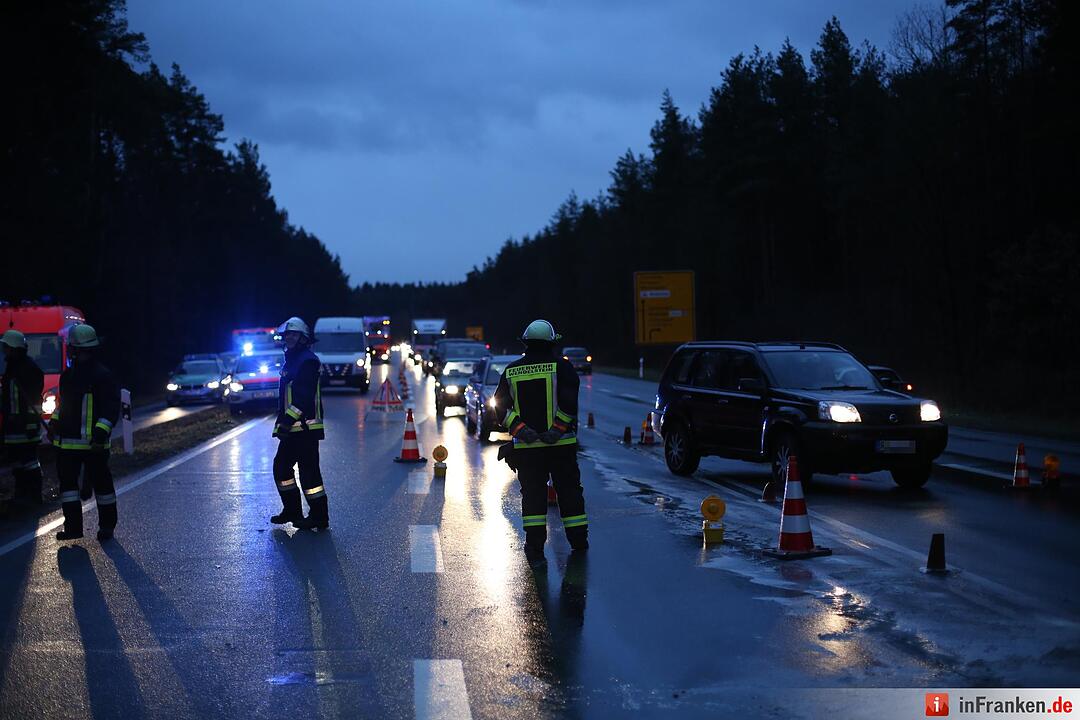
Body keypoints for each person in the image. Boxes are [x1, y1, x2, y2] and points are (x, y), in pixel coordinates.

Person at [494, 319, 588, 563]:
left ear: (525, 343)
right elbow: (569, 403)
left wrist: (521, 429)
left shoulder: (512, 370)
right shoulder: (563, 368)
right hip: (561, 447)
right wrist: (556, 430)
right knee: (569, 493)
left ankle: (534, 547)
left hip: (527, 450)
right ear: (552, 343)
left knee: (533, 497)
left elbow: (500, 407)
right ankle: (578, 542)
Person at [48, 324, 120, 541]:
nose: (69, 351)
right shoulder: (68, 376)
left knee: (102, 487)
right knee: (69, 489)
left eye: (70, 347)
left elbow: (110, 407)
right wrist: (54, 423)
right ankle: (73, 528)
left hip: (94, 445)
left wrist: (100, 433)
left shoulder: (102, 376)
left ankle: (107, 527)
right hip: (68, 445)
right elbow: (63, 406)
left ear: (76, 349)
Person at [270, 317, 329, 530]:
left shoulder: (308, 361)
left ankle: (319, 517)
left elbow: (303, 397)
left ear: (303, 338)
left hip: (305, 428)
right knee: (282, 469)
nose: (289, 338)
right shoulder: (292, 360)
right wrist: (282, 423)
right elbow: (286, 396)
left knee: (309, 474)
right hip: (294, 428)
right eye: (287, 335)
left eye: (294, 334)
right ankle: (293, 510)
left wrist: (286, 421)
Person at [1, 330, 45, 509]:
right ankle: (22, 494)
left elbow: (34, 401)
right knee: (18, 463)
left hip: (26, 427)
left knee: (30, 463)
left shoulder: (28, 369)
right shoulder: (11, 368)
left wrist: (30, 424)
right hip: (13, 427)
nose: (4, 350)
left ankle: (34, 496)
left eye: (6, 347)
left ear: (14, 348)